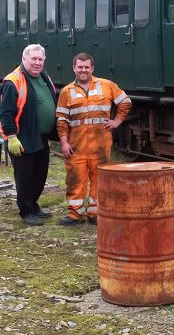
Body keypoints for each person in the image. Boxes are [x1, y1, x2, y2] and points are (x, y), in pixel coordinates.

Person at [56, 52, 132, 226]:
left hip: (100, 145)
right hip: (76, 146)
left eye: (86, 67)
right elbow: (61, 119)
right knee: (75, 180)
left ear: (92, 68)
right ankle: (75, 215)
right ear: (74, 68)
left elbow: (125, 101)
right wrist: (64, 142)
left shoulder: (107, 85)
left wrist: (117, 121)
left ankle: (95, 213)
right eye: (80, 67)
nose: (83, 70)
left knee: (100, 180)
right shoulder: (66, 92)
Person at [0, 44, 57, 226]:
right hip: (22, 137)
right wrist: (11, 137)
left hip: (40, 136)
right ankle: (25, 211)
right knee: (25, 176)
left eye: (40, 59)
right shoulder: (13, 80)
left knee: (40, 173)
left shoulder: (43, 76)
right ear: (24, 59)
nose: (37, 63)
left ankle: (34, 206)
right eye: (34, 59)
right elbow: (5, 112)